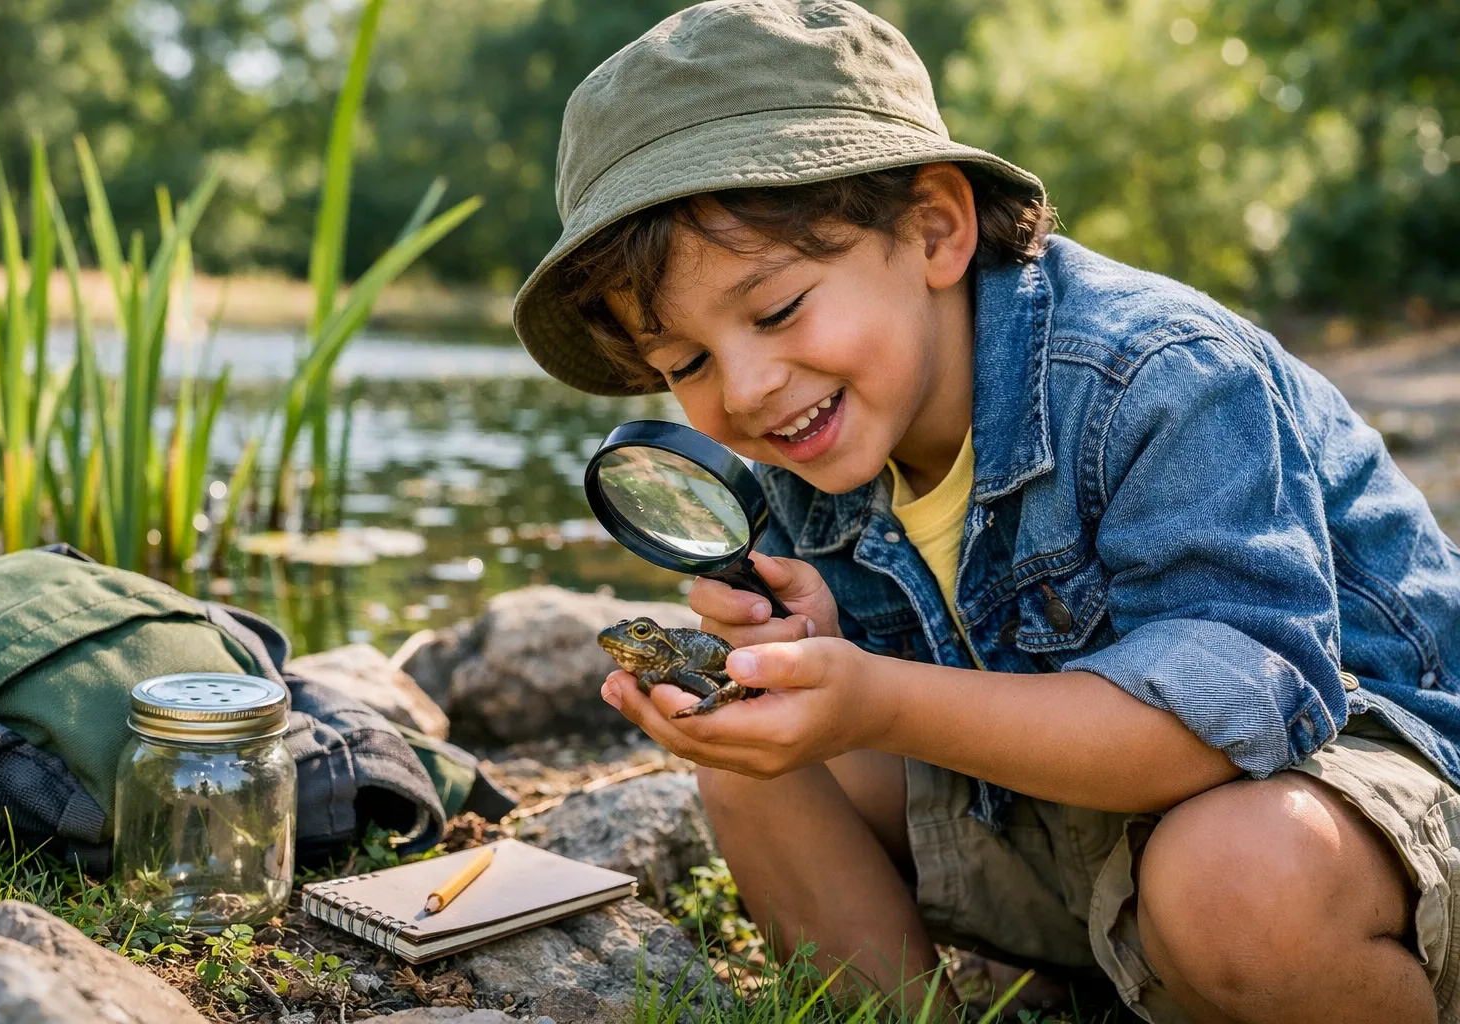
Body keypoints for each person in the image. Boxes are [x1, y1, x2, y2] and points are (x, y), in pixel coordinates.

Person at [510, 2, 1460, 1021]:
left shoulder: (1156, 373)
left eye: (778, 308)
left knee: (1237, 883)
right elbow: (901, 689)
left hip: (1343, 806)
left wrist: (876, 697)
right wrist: (816, 652)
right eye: (686, 363)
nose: (742, 391)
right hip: (1088, 821)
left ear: (936, 228)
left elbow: (1221, 731)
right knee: (753, 752)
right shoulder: (807, 454)